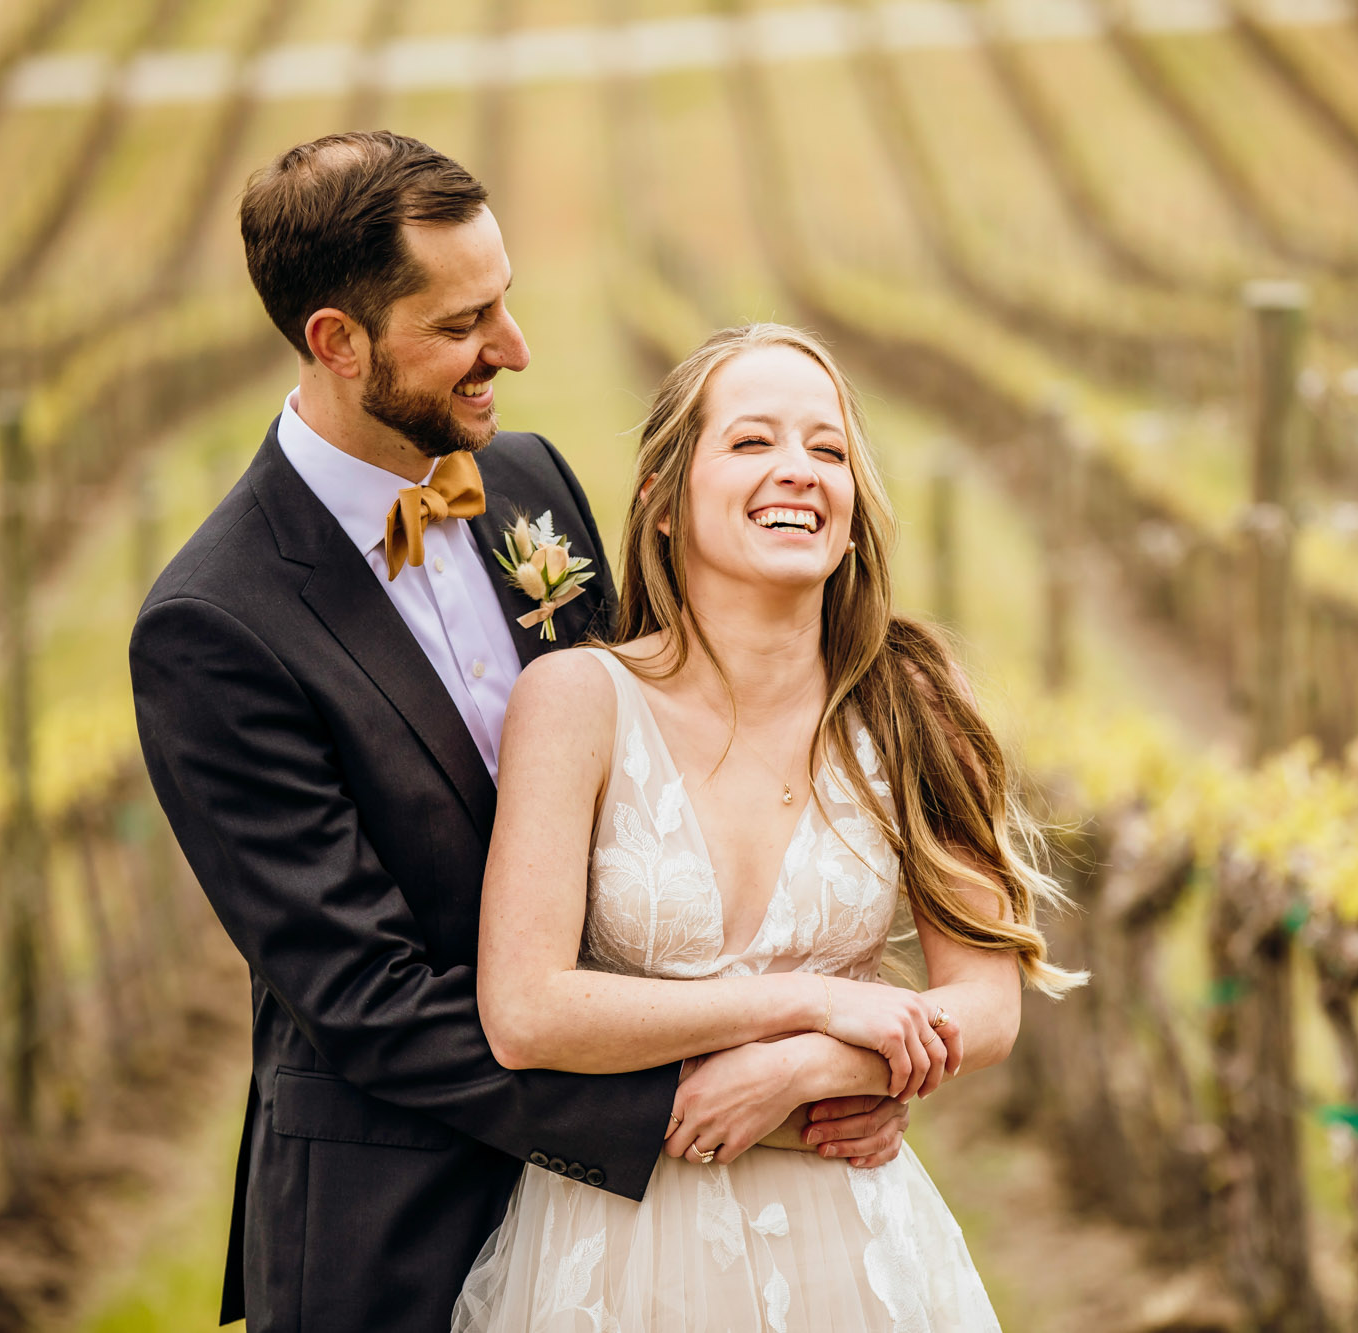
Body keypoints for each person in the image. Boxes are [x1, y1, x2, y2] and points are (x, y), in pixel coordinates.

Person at [127, 132, 905, 1333]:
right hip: (401, 1211)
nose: (516, 348)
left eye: (507, 300)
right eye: (464, 323)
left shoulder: (528, 479)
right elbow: (370, 995)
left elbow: (666, 754)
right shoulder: (214, 625)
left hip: (648, 1231)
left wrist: (832, 1062)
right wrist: (713, 1090)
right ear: (336, 341)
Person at [453, 323, 1085, 1331]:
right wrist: (815, 1002)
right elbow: (526, 1009)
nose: (797, 470)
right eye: (751, 442)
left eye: (826, 450)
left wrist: (807, 1065)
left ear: (850, 508)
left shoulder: (910, 699)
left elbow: (987, 1005)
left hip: (853, 1244)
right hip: (618, 1248)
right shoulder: (575, 699)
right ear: (664, 500)